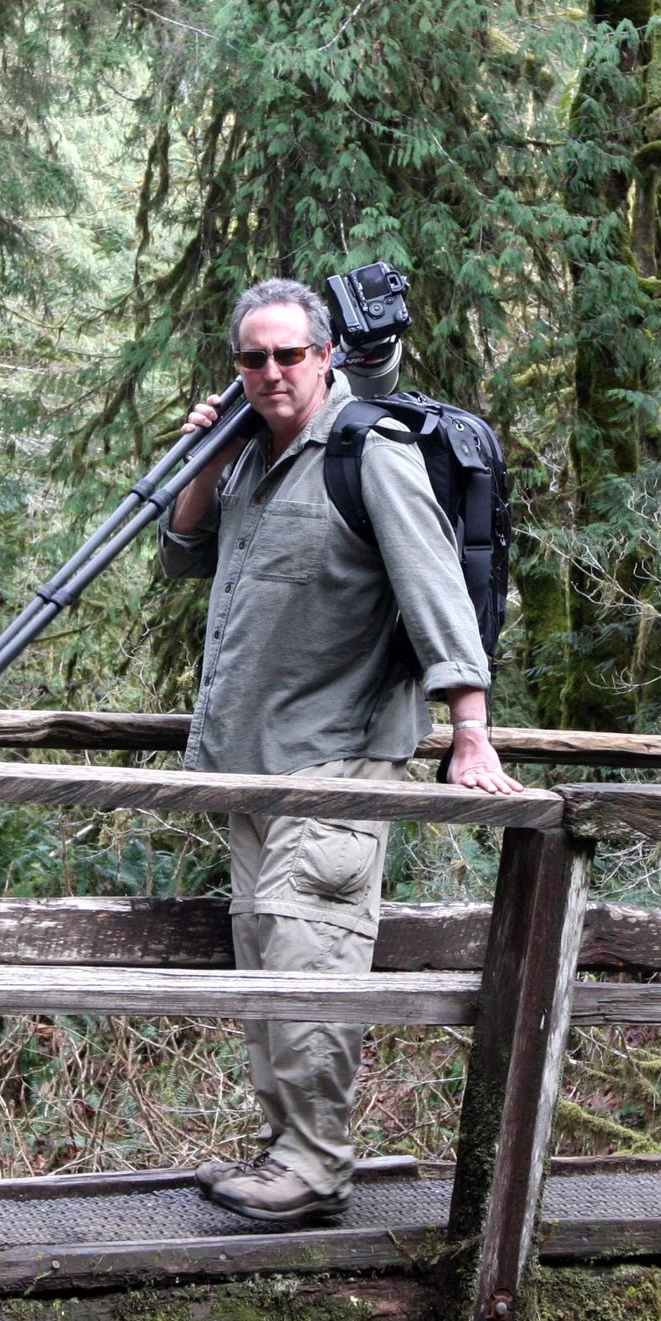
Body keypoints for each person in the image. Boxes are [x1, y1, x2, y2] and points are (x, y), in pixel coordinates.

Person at [160, 277, 523, 1227]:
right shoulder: (249, 455)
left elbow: (435, 588)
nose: (271, 372)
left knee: (309, 958)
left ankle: (316, 1167)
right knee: (266, 964)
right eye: (253, 358)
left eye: (290, 354)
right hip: (253, 765)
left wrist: (470, 730)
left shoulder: (370, 451)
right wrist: (208, 451)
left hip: (338, 762)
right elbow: (181, 550)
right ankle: (286, 1148)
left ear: (326, 356)